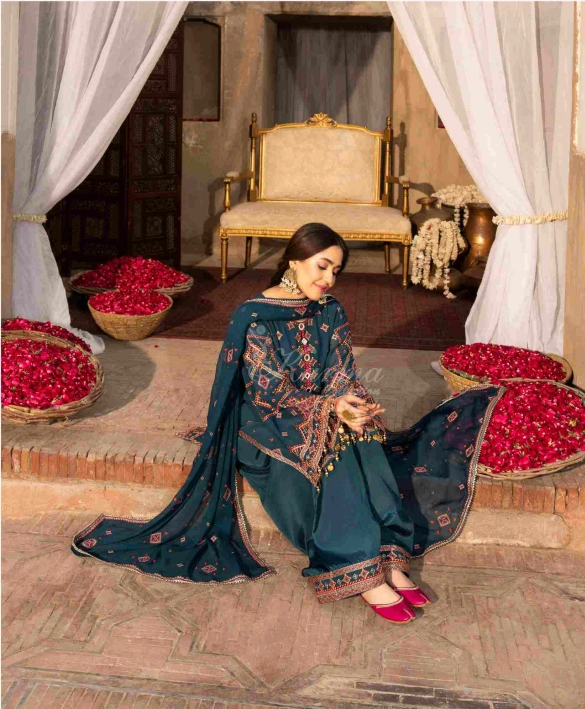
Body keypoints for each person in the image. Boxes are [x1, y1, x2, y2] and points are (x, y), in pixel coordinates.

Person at [72, 223, 502, 625]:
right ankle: (352, 562)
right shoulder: (255, 315)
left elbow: (341, 371)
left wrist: (351, 402)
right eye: (322, 266)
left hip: (318, 406)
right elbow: (268, 390)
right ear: (294, 260)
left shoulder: (330, 310)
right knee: (332, 440)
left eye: (336, 270)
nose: (329, 279)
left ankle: (387, 552)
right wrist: (329, 409)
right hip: (263, 420)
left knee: (363, 430)